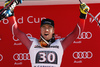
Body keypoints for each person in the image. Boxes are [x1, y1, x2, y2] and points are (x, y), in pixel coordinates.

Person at [0, 0, 90, 67]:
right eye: (44, 27)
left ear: (53, 30)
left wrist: (82, 16)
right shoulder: (32, 43)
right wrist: (11, 16)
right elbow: (16, 32)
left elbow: (76, 34)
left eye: (49, 28)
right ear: (40, 29)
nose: (46, 30)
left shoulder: (60, 44)